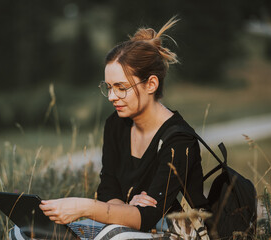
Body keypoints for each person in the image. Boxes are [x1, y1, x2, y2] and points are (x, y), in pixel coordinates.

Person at [13, 17, 209, 239]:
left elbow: (148, 217)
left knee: (115, 237)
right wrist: (126, 210)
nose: (111, 96)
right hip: (131, 226)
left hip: (179, 232)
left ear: (151, 84)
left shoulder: (179, 140)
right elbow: (108, 188)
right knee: (23, 232)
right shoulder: (115, 124)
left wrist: (84, 207)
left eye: (121, 87)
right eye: (108, 87)